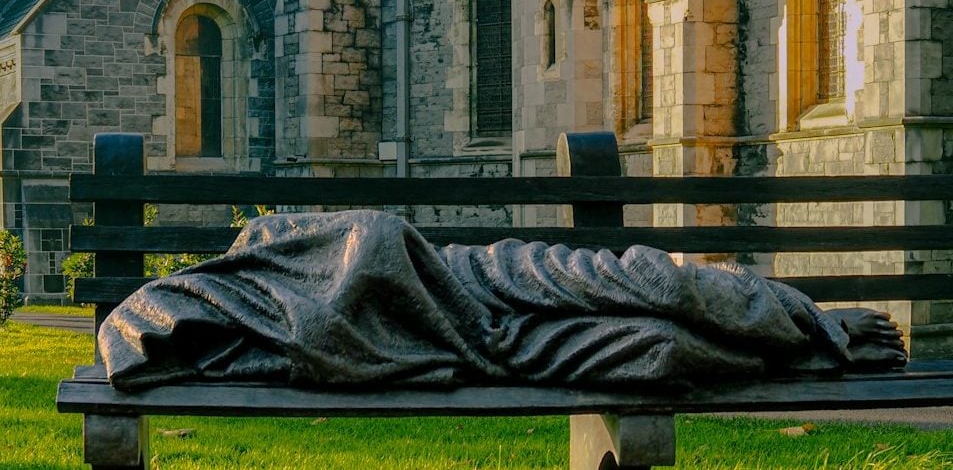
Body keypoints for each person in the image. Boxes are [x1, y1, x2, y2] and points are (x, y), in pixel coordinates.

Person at [99, 209, 906, 391]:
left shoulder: (253, 257)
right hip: (479, 344)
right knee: (657, 350)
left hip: (478, 277)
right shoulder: (240, 347)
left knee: (651, 281)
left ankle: (812, 322)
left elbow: (369, 239)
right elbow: (134, 350)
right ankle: (801, 346)